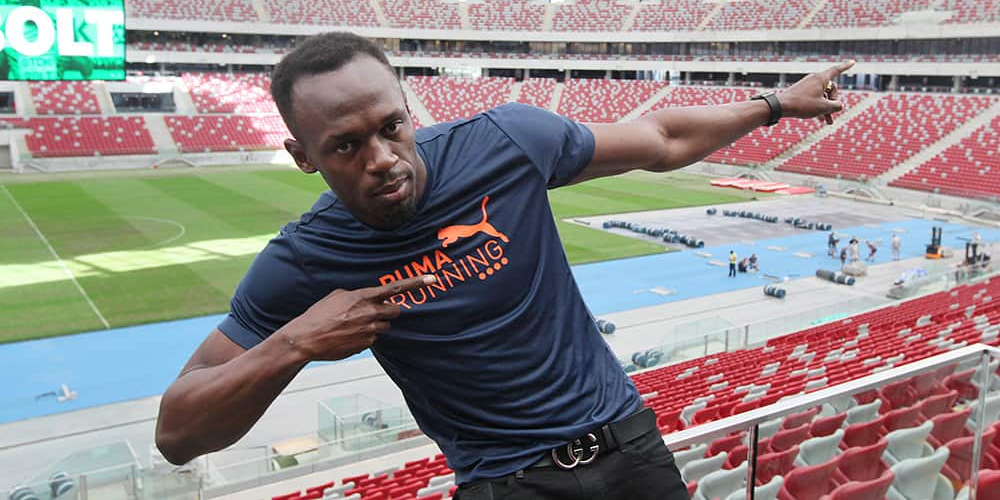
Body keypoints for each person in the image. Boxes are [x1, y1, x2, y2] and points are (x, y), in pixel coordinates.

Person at [154, 32, 849, 499]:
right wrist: (297, 342)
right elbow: (178, 434)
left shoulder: (507, 143)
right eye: (345, 147)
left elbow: (662, 139)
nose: (383, 159)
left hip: (631, 447)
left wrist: (775, 104)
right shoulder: (306, 260)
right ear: (303, 155)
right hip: (508, 486)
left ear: (408, 110)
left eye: (391, 127)